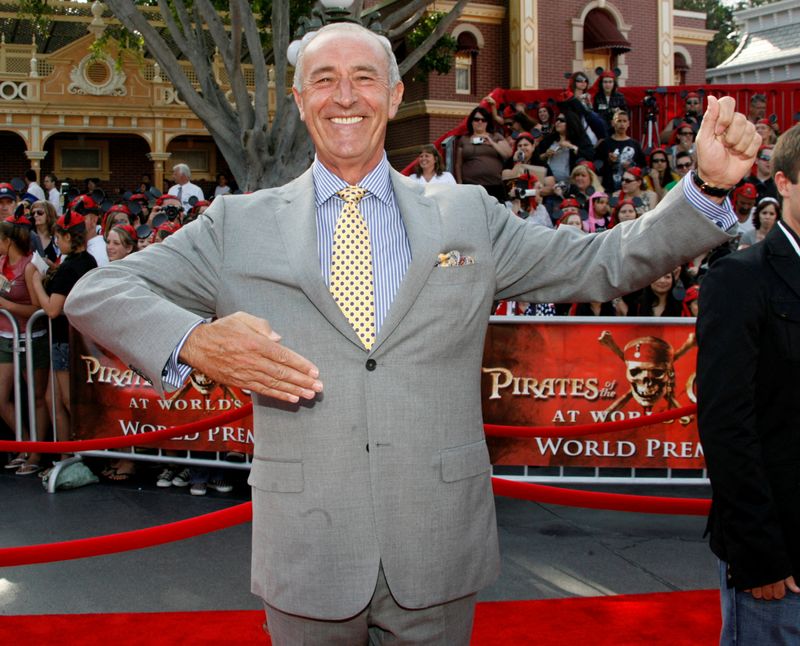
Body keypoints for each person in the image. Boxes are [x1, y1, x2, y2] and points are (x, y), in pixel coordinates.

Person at [65, 22, 758, 645]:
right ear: (300, 100)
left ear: (395, 96)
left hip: (437, 543)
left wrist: (704, 187)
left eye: (364, 78)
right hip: (309, 548)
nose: (346, 97)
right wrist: (193, 339)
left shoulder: (466, 215)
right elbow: (96, 291)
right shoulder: (238, 224)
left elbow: (603, 262)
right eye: (325, 80)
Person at [697, 123, 800, 645]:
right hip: (779, 563)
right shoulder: (739, 278)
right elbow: (725, 426)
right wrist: (760, 553)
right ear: (782, 184)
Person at [27, 210, 97, 469]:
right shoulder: (87, 261)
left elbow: (52, 308)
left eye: (59, 236)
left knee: (69, 400)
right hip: (73, 338)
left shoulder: (70, 267)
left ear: (68, 236)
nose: (57, 241)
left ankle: (80, 454)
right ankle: (66, 454)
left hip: (64, 340)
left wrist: (35, 280)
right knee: (51, 399)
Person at [0, 214, 50, 476]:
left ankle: (37, 453)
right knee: (2, 398)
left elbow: (37, 308)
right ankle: (25, 443)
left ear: (7, 241)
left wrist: (7, 306)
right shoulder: (0, 263)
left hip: (32, 338)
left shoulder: (30, 266)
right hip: (5, 338)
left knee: (37, 397)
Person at [454, 106, 512, 202]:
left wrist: (492, 143)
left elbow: (508, 154)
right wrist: (460, 183)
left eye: (483, 120)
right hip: (471, 185)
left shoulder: (495, 136)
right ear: (471, 121)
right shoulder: (464, 139)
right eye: (476, 119)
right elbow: (458, 164)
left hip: (494, 185)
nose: (480, 122)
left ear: (487, 122)